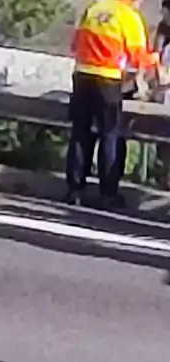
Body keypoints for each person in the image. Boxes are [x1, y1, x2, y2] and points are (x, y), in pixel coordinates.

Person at [66, 0, 158, 207]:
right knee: (110, 134)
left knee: (80, 133)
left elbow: (74, 45)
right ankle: (107, 194)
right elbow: (138, 56)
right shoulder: (128, 16)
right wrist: (155, 61)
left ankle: (75, 190)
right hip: (107, 79)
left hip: (81, 75)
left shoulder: (93, 8)